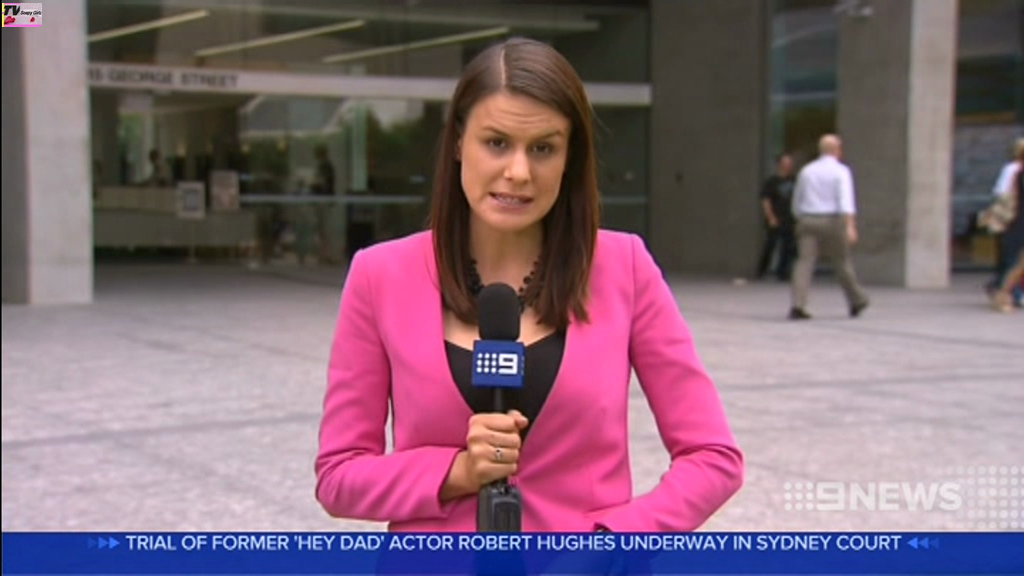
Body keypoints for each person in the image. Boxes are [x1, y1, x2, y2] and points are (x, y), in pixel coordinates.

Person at [315, 37, 743, 532]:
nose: (518, 172)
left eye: (543, 148)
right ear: (458, 142)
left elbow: (713, 458)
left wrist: (613, 543)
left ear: (569, 158)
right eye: (496, 143)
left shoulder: (623, 267)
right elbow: (338, 477)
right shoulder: (380, 275)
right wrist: (457, 472)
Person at [788, 134, 870, 320]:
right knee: (841, 261)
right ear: (836, 150)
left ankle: (798, 304)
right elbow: (845, 201)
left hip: (808, 219)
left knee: (804, 263)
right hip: (832, 220)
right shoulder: (841, 171)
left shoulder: (807, 171)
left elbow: (797, 199)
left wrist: (799, 217)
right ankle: (856, 299)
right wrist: (850, 226)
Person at [981, 145, 1024, 312]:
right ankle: (1003, 293)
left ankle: (1003, 292)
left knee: (1017, 264)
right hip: (1018, 223)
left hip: (1017, 222)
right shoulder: (1017, 172)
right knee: (1017, 264)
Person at [755, 153, 797, 281]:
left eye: (790, 163)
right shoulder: (772, 182)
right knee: (770, 244)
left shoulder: (795, 181)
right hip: (776, 217)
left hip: (790, 218)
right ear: (779, 165)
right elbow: (765, 200)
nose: (788, 166)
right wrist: (770, 217)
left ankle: (782, 272)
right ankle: (761, 270)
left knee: (787, 246)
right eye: (785, 163)